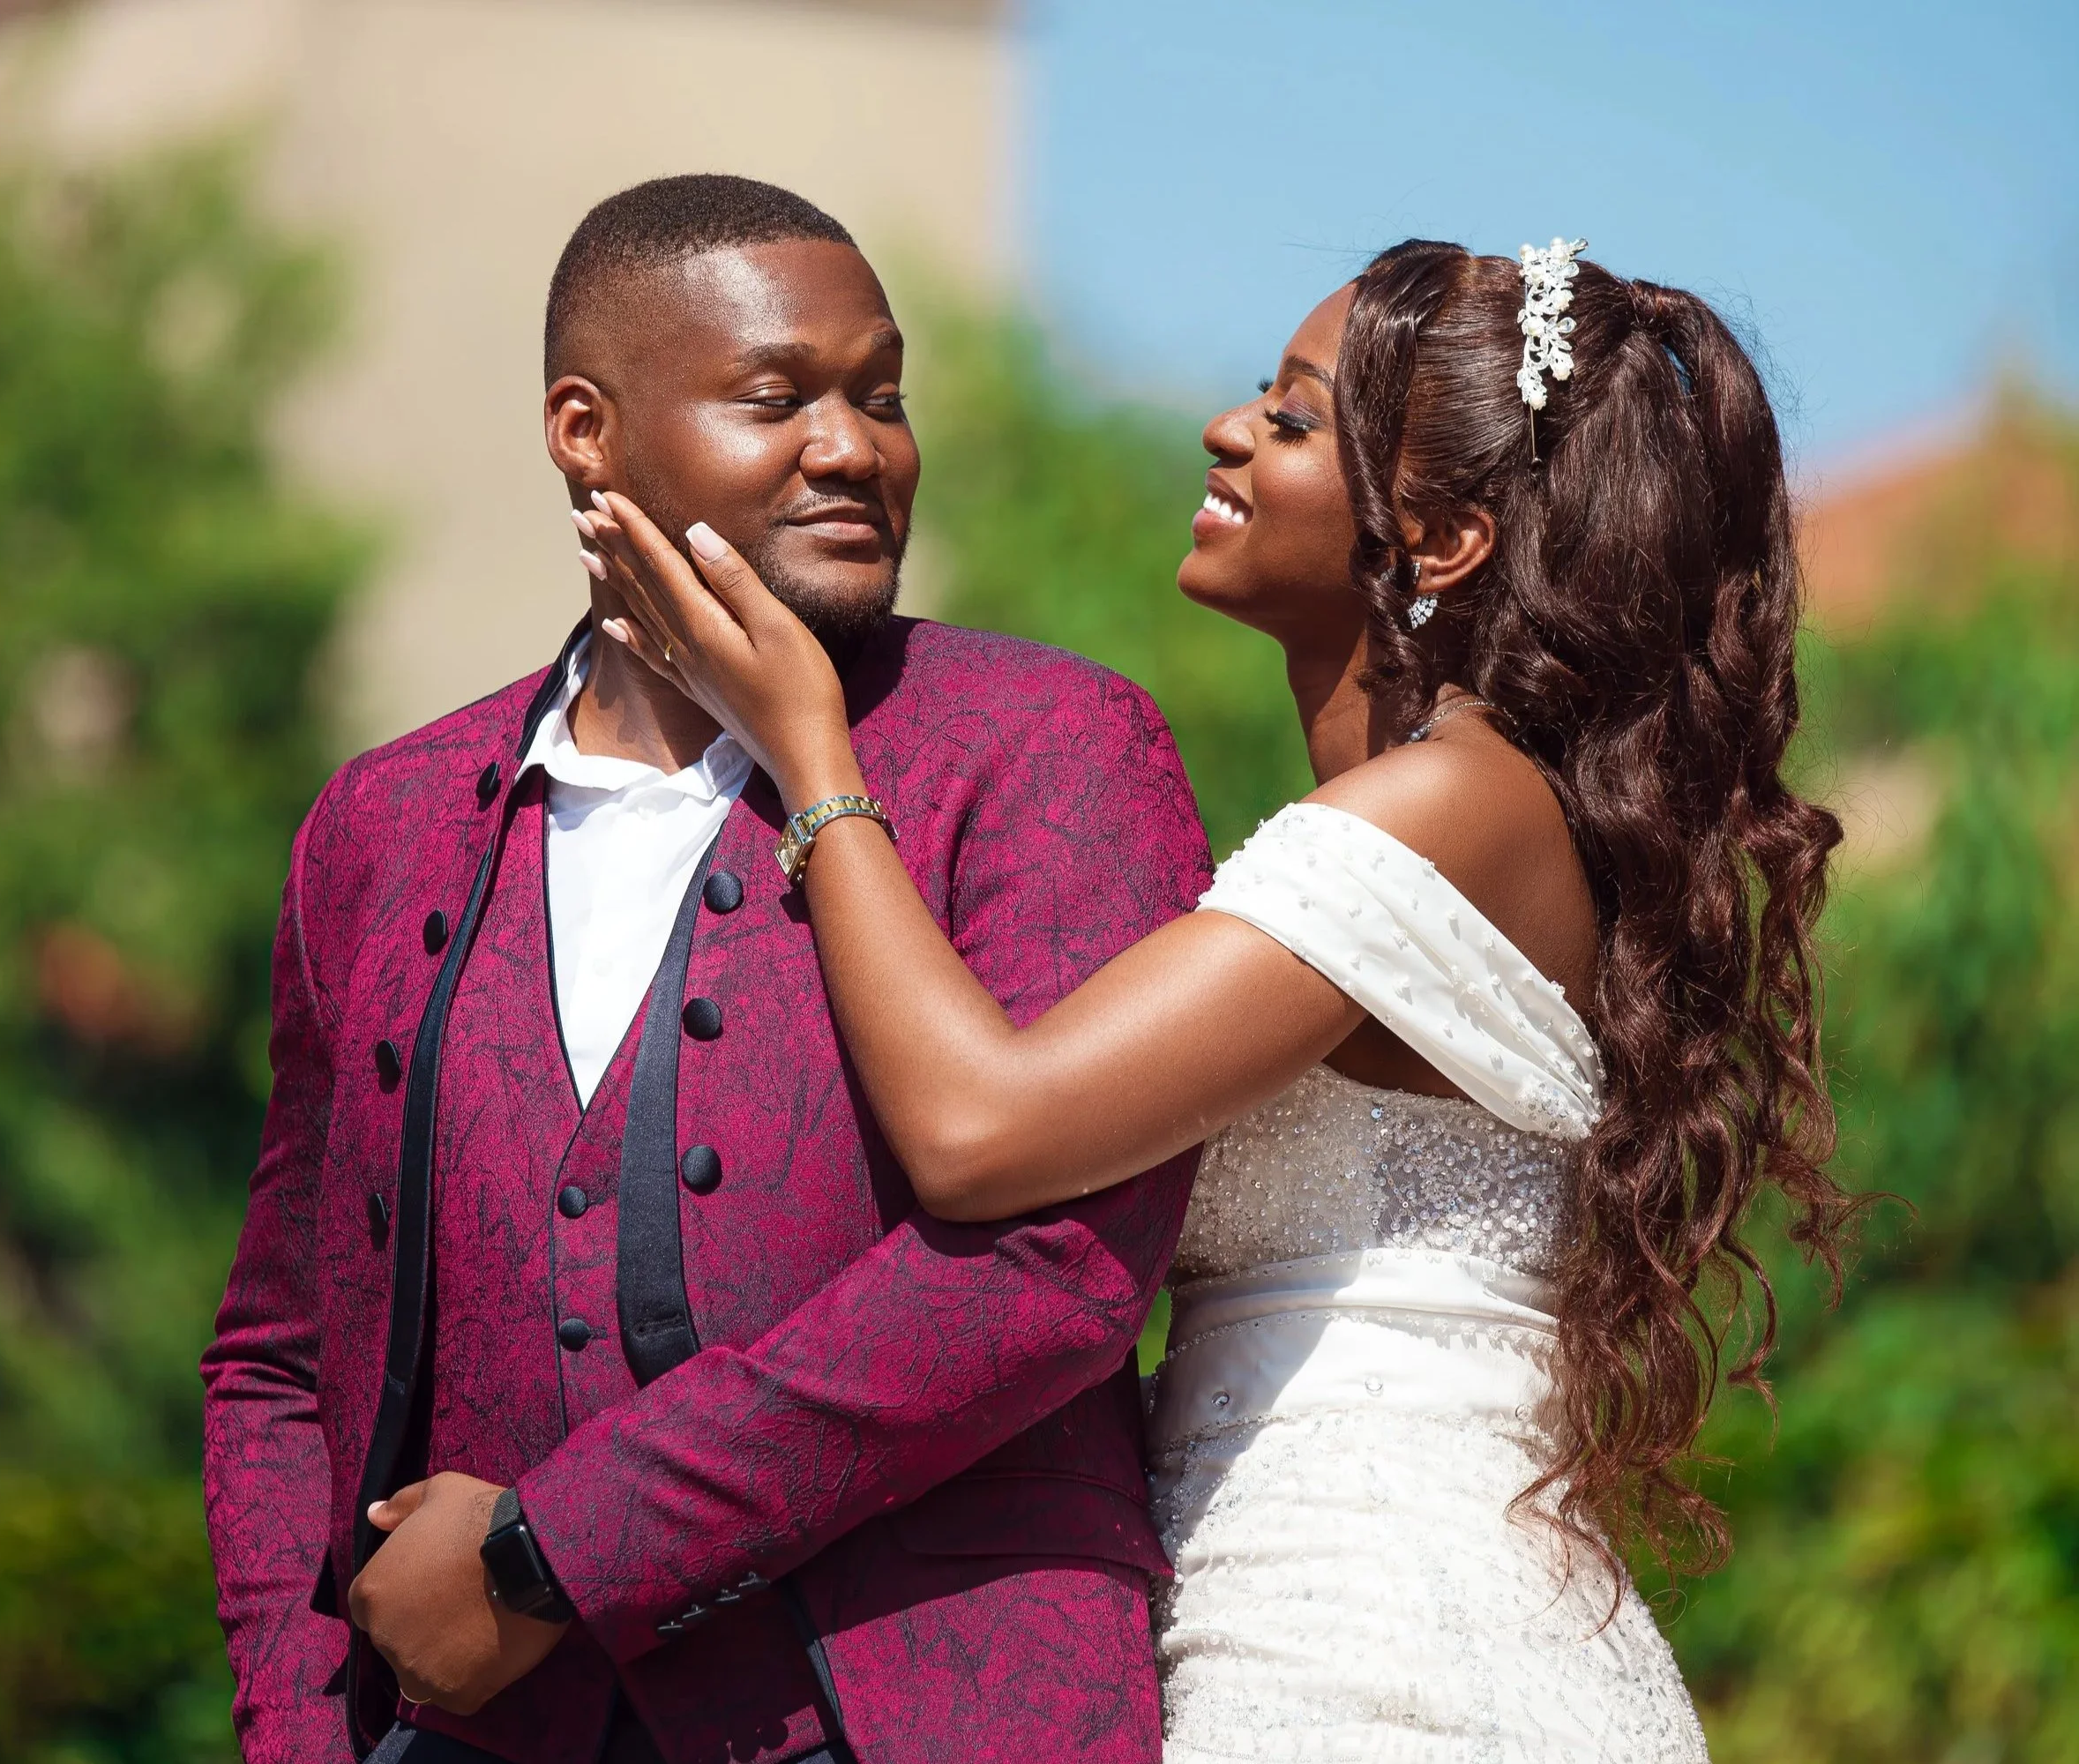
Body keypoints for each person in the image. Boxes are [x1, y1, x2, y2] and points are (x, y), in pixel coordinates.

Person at [589, 235, 1858, 1760]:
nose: (1226, 429)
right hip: (1335, 1612)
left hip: (1373, 1655)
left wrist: (810, 753)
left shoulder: (1441, 811)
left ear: (1444, 540)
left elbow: (981, 1132)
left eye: (1295, 418)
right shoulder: (1481, 807)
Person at [199, 175, 1213, 1764]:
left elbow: (1060, 1267)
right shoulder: (382, 823)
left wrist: (554, 1550)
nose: (854, 448)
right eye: (777, 397)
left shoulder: (1047, 746)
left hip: (921, 1721)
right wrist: (297, 1729)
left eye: (883, 396)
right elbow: (280, 1354)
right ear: (584, 432)